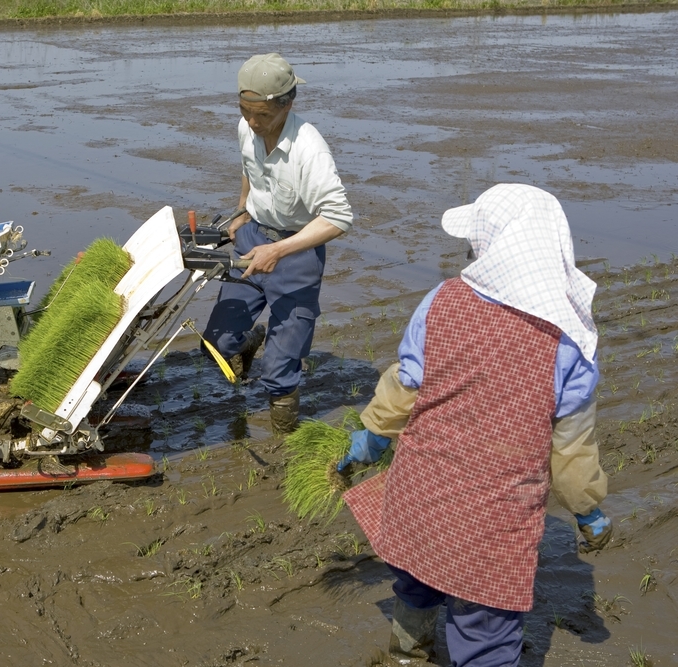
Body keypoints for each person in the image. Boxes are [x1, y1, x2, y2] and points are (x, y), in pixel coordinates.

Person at [340, 184, 612, 666]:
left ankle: (408, 653)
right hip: (495, 515)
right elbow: (572, 448)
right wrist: (587, 509)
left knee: (416, 577)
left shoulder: (442, 299)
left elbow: (405, 384)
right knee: (486, 628)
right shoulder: (568, 338)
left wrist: (374, 436)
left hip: (420, 490)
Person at [203, 53, 354, 436]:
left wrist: (279, 250)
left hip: (295, 254)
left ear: (287, 104)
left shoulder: (309, 149)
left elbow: (338, 217)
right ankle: (248, 344)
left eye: (262, 115)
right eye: (245, 112)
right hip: (253, 238)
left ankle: (285, 440)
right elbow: (249, 168)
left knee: (279, 370)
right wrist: (242, 210)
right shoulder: (247, 127)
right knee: (217, 343)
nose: (253, 123)